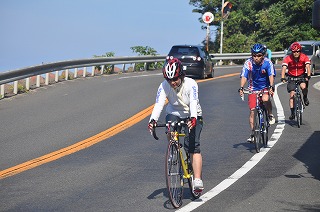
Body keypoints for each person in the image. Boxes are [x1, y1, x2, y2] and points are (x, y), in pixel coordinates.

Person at [148, 58, 204, 192]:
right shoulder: (163, 85)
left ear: (181, 76)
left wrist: (193, 118)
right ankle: (175, 150)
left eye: (175, 79)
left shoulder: (191, 84)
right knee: (170, 129)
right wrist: (153, 120)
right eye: (169, 80)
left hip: (192, 113)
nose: (172, 83)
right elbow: (159, 104)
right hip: (174, 112)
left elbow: (193, 102)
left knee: (193, 147)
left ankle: (197, 179)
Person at [239, 43, 275, 142]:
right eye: (254, 55)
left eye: (258, 55)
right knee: (252, 111)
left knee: (265, 99)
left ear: (263, 55)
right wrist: (241, 87)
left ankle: (270, 113)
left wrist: (271, 86)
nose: (256, 58)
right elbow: (244, 76)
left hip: (265, 87)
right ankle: (253, 133)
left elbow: (271, 75)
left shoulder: (268, 63)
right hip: (253, 88)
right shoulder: (248, 63)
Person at [281, 42, 311, 120]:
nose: (296, 53)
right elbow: (284, 68)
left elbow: (308, 66)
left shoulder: (304, 57)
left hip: (301, 76)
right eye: (294, 51)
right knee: (292, 94)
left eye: (297, 51)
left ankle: (305, 97)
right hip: (291, 76)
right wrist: (283, 77)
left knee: (303, 87)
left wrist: (308, 75)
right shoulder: (288, 58)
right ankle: (292, 113)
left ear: (300, 51)